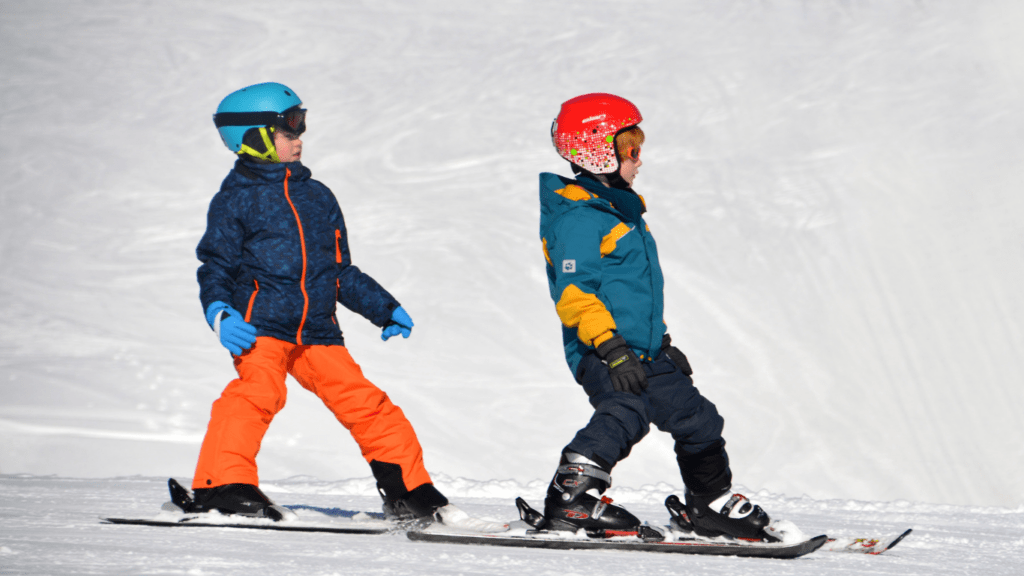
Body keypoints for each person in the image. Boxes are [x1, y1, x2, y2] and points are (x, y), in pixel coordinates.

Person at [187, 81, 479, 527]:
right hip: (260, 326)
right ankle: (221, 485)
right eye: (288, 130)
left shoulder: (317, 195)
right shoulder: (235, 200)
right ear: (254, 137)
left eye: (300, 126)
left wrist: (384, 307)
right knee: (257, 395)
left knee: (370, 405)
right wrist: (219, 312)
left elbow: (339, 269)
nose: (299, 138)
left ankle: (409, 490)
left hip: (318, 331)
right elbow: (216, 265)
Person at [537, 93, 775, 540]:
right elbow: (574, 295)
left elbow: (635, 294)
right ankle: (570, 500)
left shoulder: (619, 210)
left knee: (698, 419)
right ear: (597, 150)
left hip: (644, 351)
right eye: (631, 150)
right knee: (625, 413)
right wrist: (610, 347)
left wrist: (661, 343)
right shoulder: (579, 219)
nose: (639, 161)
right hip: (602, 349)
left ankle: (709, 503)